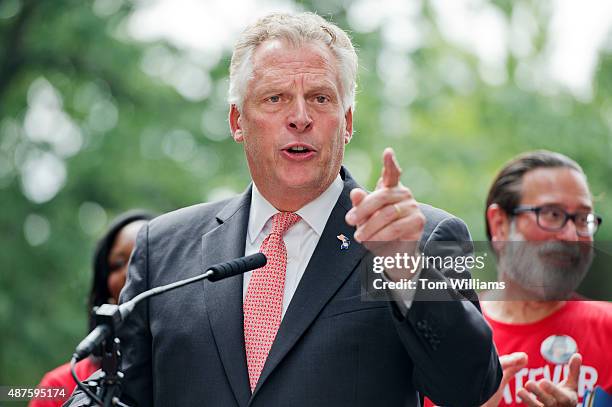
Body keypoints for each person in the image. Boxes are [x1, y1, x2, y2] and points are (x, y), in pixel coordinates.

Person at [68, 12, 500, 407]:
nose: (299, 117)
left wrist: (408, 271)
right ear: (237, 121)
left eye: (320, 98)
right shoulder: (162, 249)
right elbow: (123, 395)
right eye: (275, 98)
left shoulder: (421, 235)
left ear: (347, 121)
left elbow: (468, 386)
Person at [480, 151, 612, 406]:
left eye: (583, 219)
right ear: (500, 225)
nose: (572, 236)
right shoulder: (445, 336)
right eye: (552, 214)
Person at [29, 211, 152, 407]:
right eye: (118, 263)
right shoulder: (59, 385)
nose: (131, 272)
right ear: (106, 290)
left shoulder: (200, 371)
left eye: (143, 259)